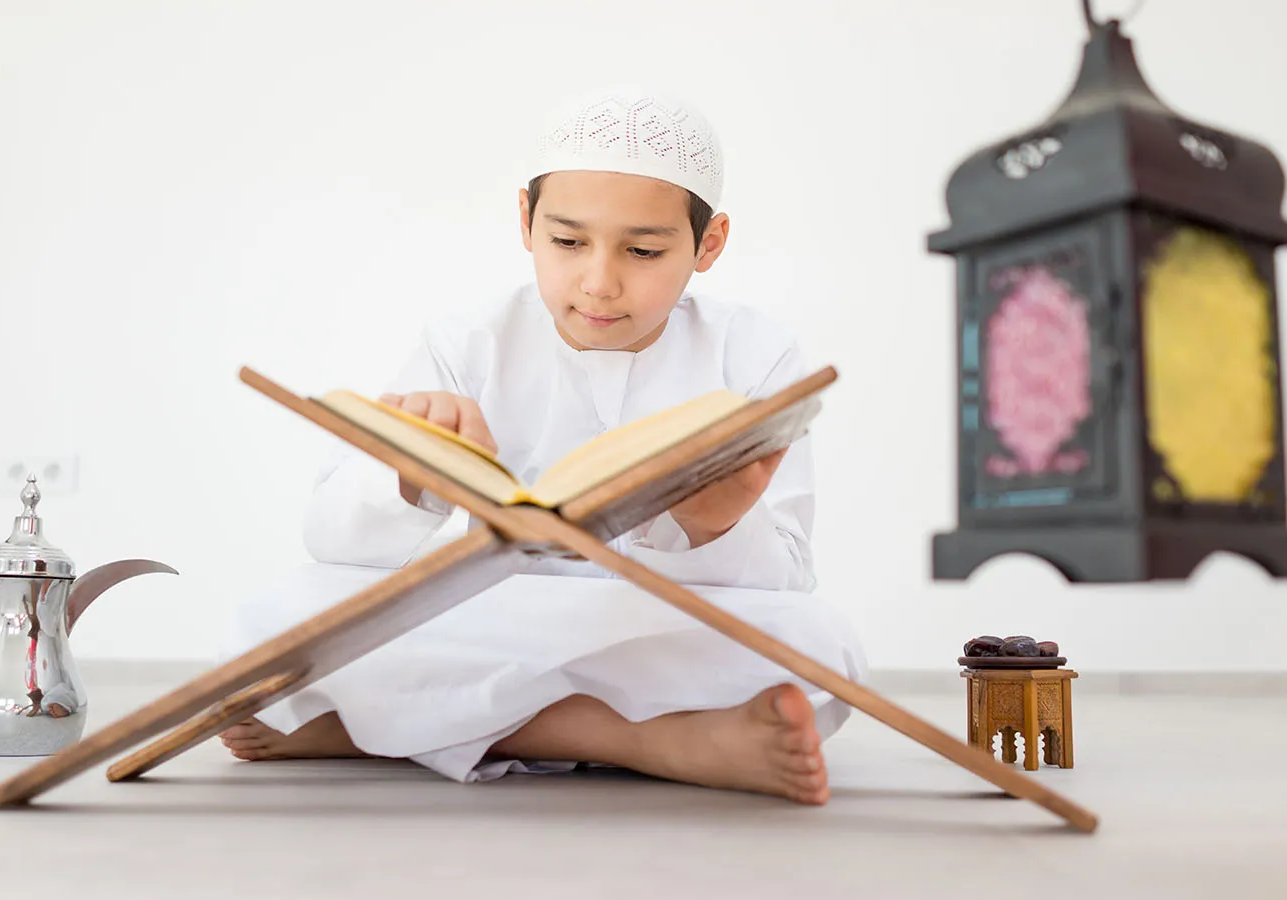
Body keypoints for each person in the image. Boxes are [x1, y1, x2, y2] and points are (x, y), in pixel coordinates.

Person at [217, 89, 866, 805]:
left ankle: (370, 728)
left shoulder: (756, 354)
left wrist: (716, 525)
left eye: (643, 250)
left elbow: (788, 576)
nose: (599, 282)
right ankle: (646, 739)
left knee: (821, 642)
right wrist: (409, 478)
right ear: (526, 221)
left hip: (651, 623)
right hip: (490, 614)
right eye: (568, 242)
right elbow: (330, 539)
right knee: (278, 616)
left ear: (707, 245)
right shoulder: (466, 341)